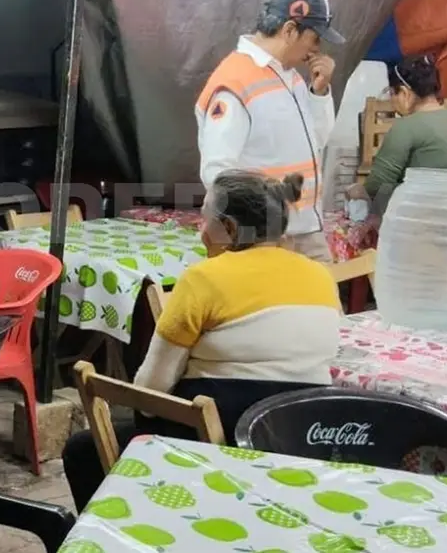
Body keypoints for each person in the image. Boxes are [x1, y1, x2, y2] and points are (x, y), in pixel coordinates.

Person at [62, 169, 341, 511]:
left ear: (231, 229)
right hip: (304, 434)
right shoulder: (319, 275)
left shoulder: (203, 278)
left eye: (206, 219)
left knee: (82, 451)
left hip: (222, 439)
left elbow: (151, 391)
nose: (200, 229)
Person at [195, 0, 346, 263]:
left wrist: (319, 92)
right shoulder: (235, 82)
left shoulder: (291, 78)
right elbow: (217, 172)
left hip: (304, 230)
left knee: (321, 304)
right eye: (315, 39)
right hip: (266, 240)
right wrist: (262, 230)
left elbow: (317, 141)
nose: (316, 50)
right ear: (289, 30)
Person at [347, 55, 447, 210]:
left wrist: (356, 192)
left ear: (405, 93)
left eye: (392, 93)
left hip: (415, 220)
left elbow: (378, 184)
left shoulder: (406, 127)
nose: (392, 101)